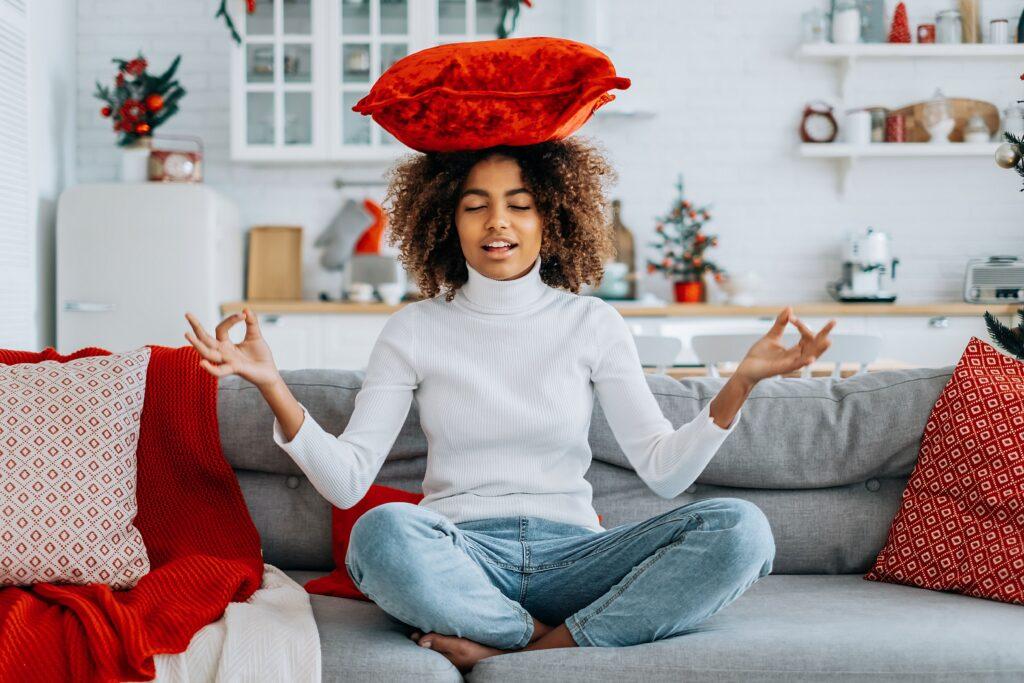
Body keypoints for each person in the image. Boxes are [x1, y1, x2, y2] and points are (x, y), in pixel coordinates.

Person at [184, 137, 834, 674]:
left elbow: (664, 471)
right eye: (476, 206)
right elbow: (347, 478)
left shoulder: (592, 323)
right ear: (447, 220)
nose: (498, 222)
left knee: (741, 528)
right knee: (379, 533)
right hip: (458, 552)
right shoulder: (414, 328)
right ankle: (544, 641)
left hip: (576, 556)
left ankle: (520, 647)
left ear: (550, 218)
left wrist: (740, 383)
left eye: (519, 205)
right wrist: (272, 384)